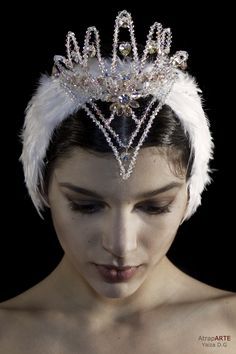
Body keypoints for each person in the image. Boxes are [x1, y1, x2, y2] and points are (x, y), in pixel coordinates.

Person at [1, 10, 235, 354]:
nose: (121, 246)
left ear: (190, 195)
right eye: (86, 205)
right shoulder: (6, 335)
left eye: (155, 206)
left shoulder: (229, 328)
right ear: (41, 186)